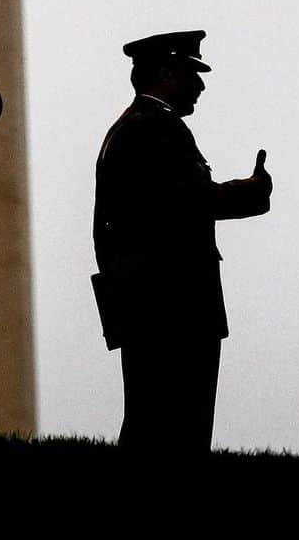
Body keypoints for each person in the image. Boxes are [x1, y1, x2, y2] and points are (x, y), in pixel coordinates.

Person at [92, 30, 272, 459]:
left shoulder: (133, 128)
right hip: (171, 306)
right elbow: (191, 201)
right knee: (175, 433)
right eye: (193, 72)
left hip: (150, 302)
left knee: (153, 424)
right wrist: (253, 191)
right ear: (167, 72)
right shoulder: (155, 128)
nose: (201, 85)